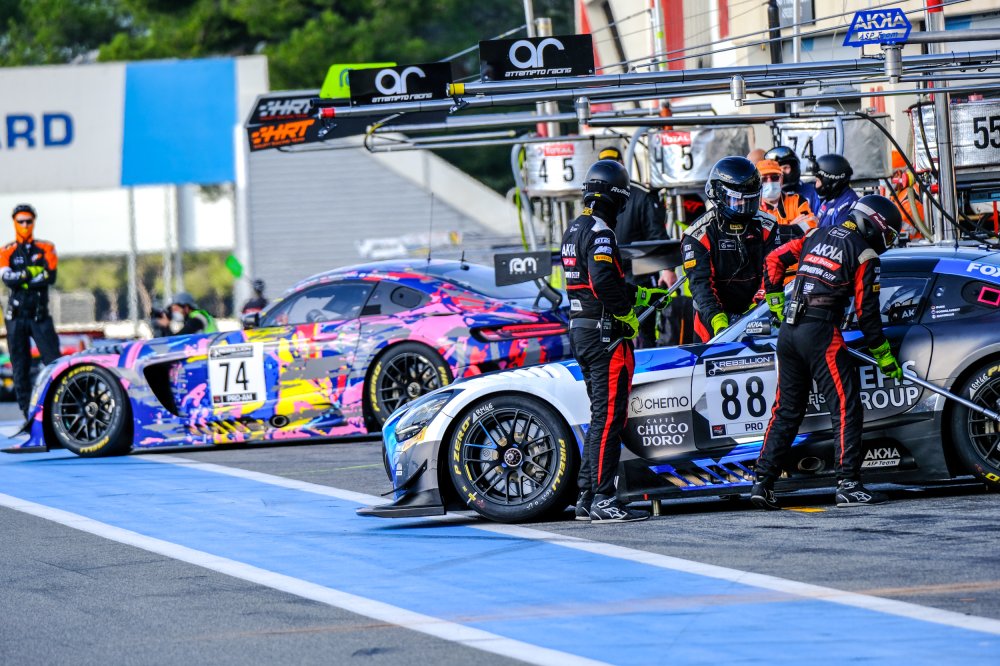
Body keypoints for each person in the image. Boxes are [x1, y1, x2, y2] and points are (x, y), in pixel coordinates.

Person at [751, 195, 903, 509]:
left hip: (789, 332)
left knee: (786, 411)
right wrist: (884, 355)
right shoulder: (865, 254)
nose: (885, 243)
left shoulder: (814, 235)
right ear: (874, 225)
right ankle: (849, 484)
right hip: (821, 333)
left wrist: (775, 300)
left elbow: (773, 259)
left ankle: (762, 484)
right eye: (887, 235)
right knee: (846, 407)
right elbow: (867, 313)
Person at [560, 159, 671, 523]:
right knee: (610, 418)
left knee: (599, 417)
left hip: (581, 330)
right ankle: (604, 498)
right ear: (618, 197)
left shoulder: (574, 228)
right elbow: (603, 281)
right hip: (605, 336)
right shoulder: (602, 231)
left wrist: (641, 296)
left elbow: (595, 280)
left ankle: (587, 495)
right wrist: (626, 314)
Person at [681, 156, 779, 342]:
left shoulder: (768, 225)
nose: (743, 207)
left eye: (750, 201)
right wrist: (719, 321)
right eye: (737, 200)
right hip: (712, 321)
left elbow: (772, 272)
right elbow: (701, 286)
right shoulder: (697, 235)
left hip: (758, 313)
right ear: (718, 195)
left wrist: (756, 311)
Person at [597, 146, 670, 348]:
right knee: (613, 335)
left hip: (640, 276)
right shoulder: (596, 200)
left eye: (614, 164)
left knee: (644, 333)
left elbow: (658, 236)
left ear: (622, 165)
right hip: (609, 276)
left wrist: (667, 269)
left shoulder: (641, 195)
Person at [0, 204, 61, 417]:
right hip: (16, 317)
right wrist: (32, 273)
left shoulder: (46, 248)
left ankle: (60, 407)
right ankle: (27, 412)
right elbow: (7, 279)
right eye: (21, 221)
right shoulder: (6, 250)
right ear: (14, 223)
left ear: (34, 222)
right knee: (20, 366)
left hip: (40, 315)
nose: (25, 225)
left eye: (28, 221)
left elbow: (50, 277)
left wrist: (22, 277)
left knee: (54, 363)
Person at [764, 146, 819, 212]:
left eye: (785, 168)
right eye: (778, 170)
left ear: (794, 168)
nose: (782, 173)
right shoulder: (765, 196)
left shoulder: (810, 192)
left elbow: (819, 215)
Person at [813, 154, 860, 228]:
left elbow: (839, 235)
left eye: (818, 181)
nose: (816, 185)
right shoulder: (829, 199)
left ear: (829, 181)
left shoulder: (847, 207)